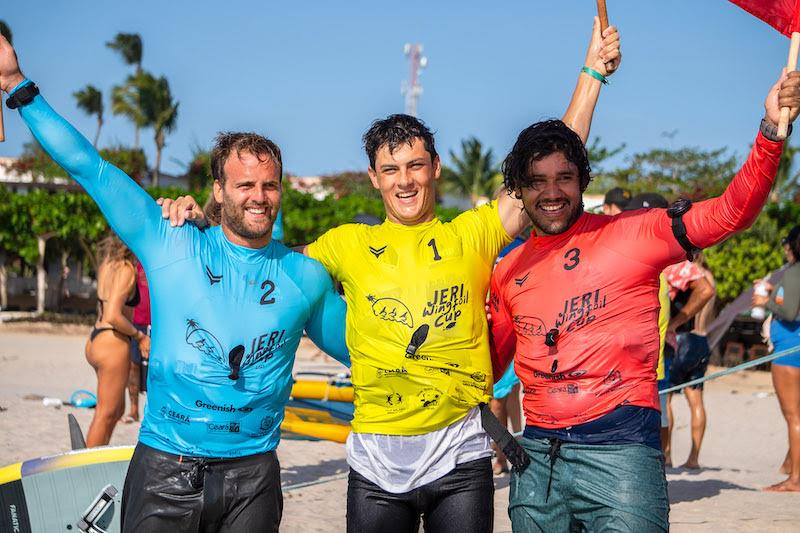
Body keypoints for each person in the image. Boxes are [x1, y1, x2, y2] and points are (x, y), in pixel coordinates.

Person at [164, 17, 621, 532]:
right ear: (374, 177)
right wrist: (202, 221)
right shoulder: (347, 243)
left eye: (415, 166)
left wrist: (591, 74)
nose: (405, 181)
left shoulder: (472, 233)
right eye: (391, 169)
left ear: (436, 168)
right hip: (377, 463)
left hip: (460, 453)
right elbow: (255, 256)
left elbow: (550, 165)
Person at [0, 36, 349, 532]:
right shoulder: (171, 242)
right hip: (166, 468)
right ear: (218, 191)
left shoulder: (305, 276)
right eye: (244, 185)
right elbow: (90, 168)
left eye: (269, 185)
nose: (259, 197)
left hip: (254, 477)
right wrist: (16, 84)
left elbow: (363, 348)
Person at [489, 71, 800, 531]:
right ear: (518, 189)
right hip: (537, 465)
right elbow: (486, 367)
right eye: (536, 181)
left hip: (621, 453)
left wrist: (771, 132)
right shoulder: (507, 270)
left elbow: (731, 212)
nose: (551, 193)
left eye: (564, 178)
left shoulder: (636, 232)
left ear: (583, 180)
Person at [84, 234, 147, 447]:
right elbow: (113, 314)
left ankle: (94, 457)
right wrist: (139, 336)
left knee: (116, 409)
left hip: (96, 338)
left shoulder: (108, 264)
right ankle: (85, 468)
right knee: (106, 413)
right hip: (113, 341)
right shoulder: (127, 269)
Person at [752, 225, 800, 492]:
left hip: (790, 349)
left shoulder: (794, 273)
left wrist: (766, 300)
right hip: (795, 347)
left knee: (793, 416)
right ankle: (790, 465)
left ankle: (795, 479)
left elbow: (790, 311)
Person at [662, 254, 716, 469]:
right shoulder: (710, 276)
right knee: (696, 401)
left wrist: (674, 323)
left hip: (682, 338)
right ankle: (694, 458)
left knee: (665, 400)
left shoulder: (682, 271)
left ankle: (667, 455)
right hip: (702, 340)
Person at [123, 261, 151, 423]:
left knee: (156, 369)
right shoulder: (134, 265)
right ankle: (134, 410)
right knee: (133, 366)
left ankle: (152, 411)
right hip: (137, 322)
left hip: (159, 322)